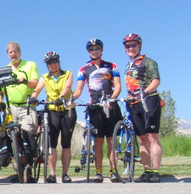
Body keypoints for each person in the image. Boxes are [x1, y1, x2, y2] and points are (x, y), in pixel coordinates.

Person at [72, 38, 122, 183]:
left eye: (97, 48)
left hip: (110, 105)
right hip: (95, 107)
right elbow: (78, 90)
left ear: (102, 50)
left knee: (112, 141)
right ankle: (99, 172)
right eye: (91, 49)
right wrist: (71, 97)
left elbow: (118, 86)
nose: (94, 51)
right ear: (88, 52)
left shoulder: (112, 66)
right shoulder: (83, 69)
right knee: (98, 142)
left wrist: (112, 99)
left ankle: (113, 171)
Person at [31, 52, 76, 183]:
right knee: (52, 144)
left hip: (67, 110)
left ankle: (65, 173)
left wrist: (61, 98)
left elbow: (68, 87)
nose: (53, 64)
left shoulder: (68, 73)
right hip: (52, 111)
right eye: (50, 63)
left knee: (66, 143)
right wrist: (34, 97)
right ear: (47, 65)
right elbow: (38, 88)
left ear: (59, 62)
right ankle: (52, 173)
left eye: (55, 61)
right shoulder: (45, 77)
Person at [122, 33, 163, 183]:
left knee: (152, 137)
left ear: (139, 46)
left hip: (149, 100)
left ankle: (156, 171)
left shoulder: (148, 62)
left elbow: (156, 80)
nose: (130, 48)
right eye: (128, 45)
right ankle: (147, 170)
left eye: (133, 45)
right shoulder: (128, 65)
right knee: (141, 139)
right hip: (134, 103)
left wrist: (145, 92)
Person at [3, 41, 39, 183]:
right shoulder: (5, 69)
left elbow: (35, 83)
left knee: (27, 133)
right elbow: (0, 89)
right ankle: (19, 169)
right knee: (14, 139)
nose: (13, 54)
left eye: (15, 51)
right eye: (10, 52)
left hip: (26, 106)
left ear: (20, 52)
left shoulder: (30, 65)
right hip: (11, 107)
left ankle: (28, 168)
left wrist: (24, 81)